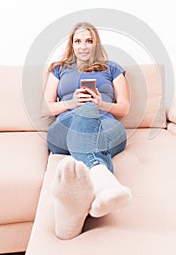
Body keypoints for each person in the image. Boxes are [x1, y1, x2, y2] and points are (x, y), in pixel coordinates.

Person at [44, 22, 132, 240]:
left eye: (89, 40)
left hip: (106, 126)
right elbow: (46, 107)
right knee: (86, 109)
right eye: (78, 41)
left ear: (96, 44)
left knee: (91, 108)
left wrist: (101, 105)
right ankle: (103, 181)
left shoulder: (112, 68)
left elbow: (124, 108)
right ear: (72, 45)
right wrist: (72, 103)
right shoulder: (59, 69)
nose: (83, 46)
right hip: (65, 128)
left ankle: (71, 214)